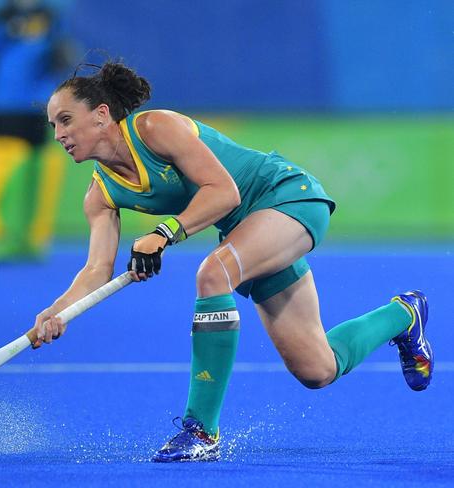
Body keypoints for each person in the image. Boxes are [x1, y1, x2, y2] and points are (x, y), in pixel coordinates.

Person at [32, 61, 434, 462]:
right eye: (53, 126)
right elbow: (96, 271)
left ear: (102, 114)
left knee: (213, 273)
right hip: (247, 234)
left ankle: (201, 431)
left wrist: (164, 233)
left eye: (65, 120)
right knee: (317, 369)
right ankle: (405, 315)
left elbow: (224, 192)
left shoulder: (154, 128)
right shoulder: (100, 195)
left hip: (286, 196)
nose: (59, 134)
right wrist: (55, 313)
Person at [0, 0, 75, 262]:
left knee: (36, 170)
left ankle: (30, 238)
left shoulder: (51, 18)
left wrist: (62, 59)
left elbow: (63, 55)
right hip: (4, 105)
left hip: (40, 106)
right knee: (1, 171)